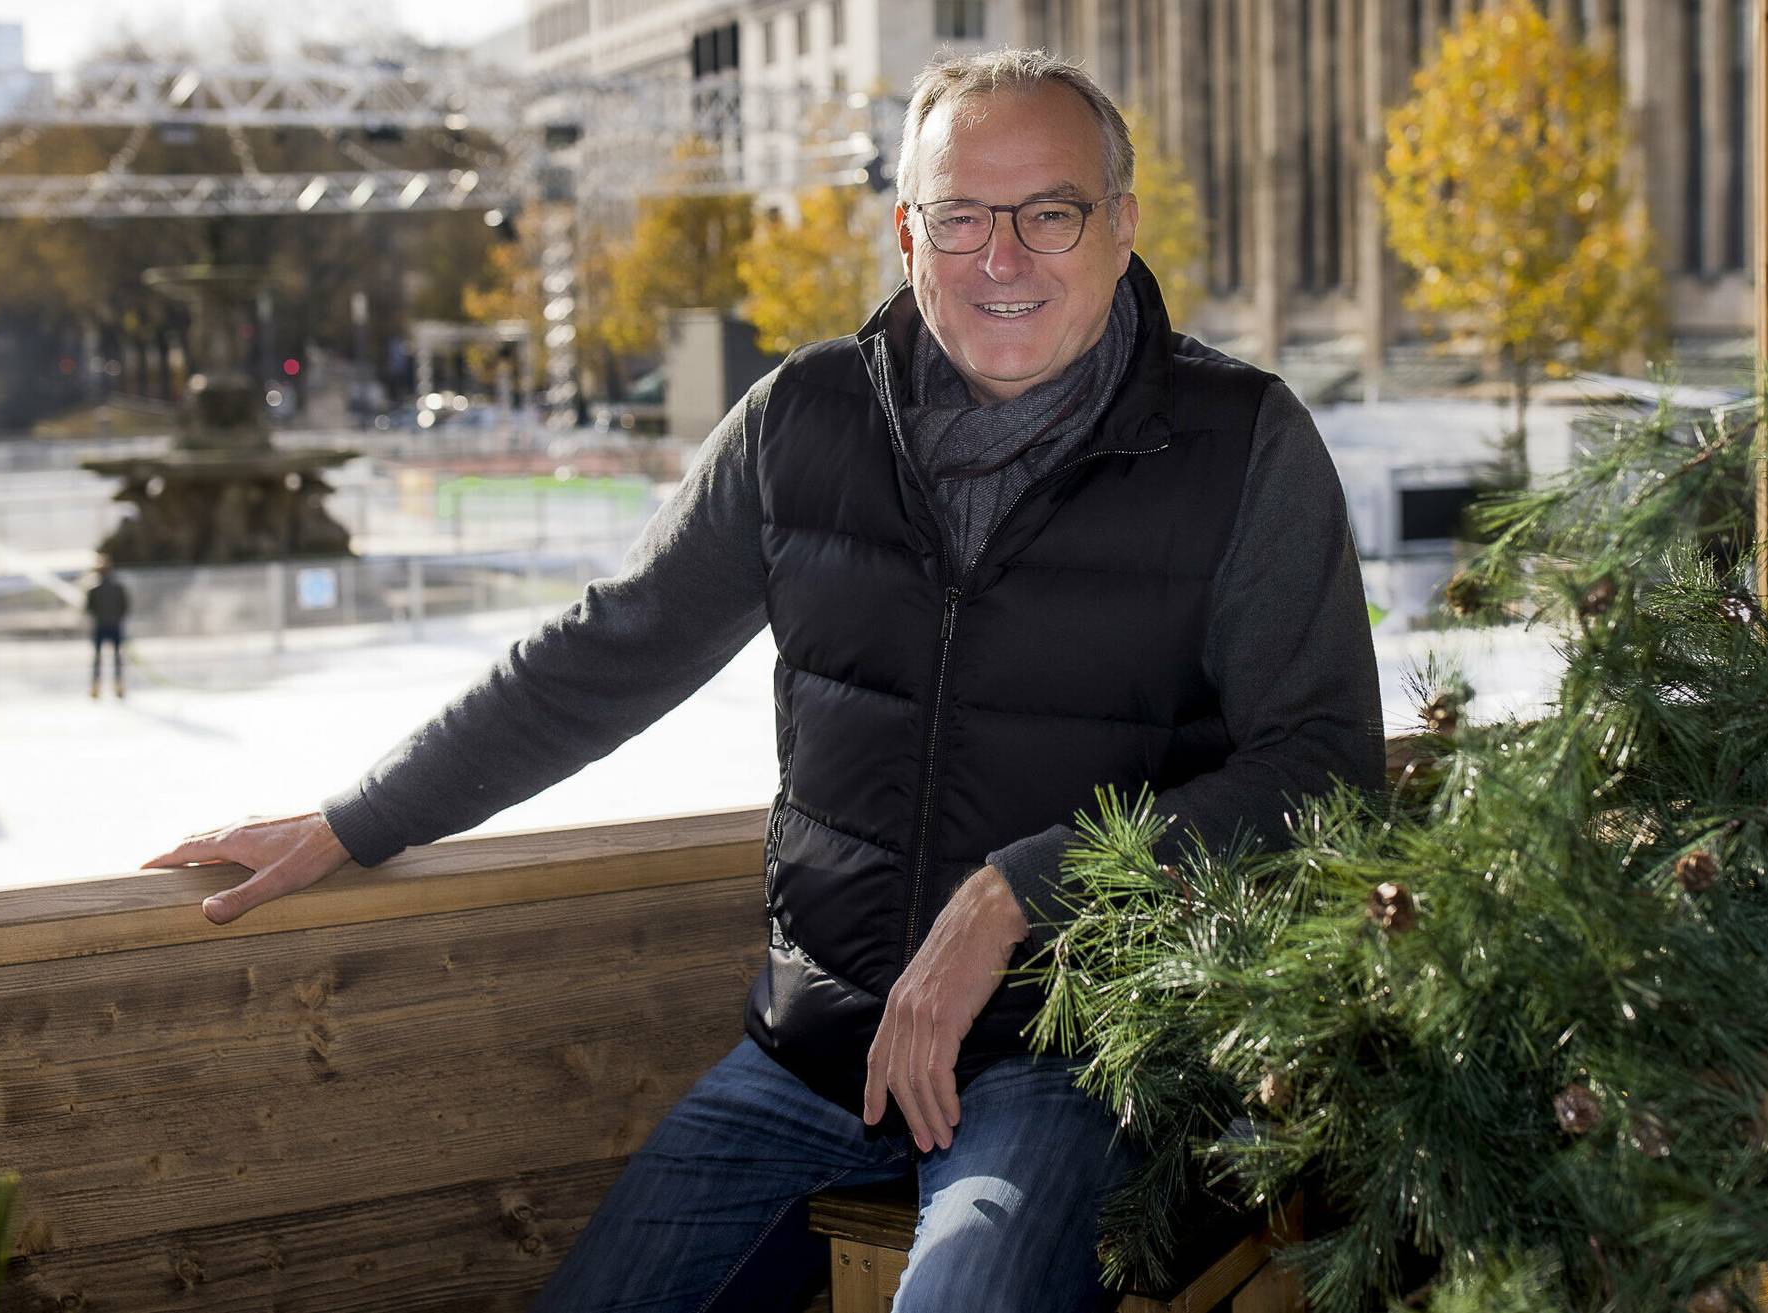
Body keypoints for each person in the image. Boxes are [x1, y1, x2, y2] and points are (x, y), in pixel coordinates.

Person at [143, 49, 1384, 1313]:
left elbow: (1325, 767)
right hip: (818, 1051)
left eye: (1048, 213)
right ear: (908, 234)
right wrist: (361, 818)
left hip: (1084, 1056)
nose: (1001, 257)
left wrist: (1020, 892)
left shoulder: (1241, 445)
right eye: (960, 216)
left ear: (1120, 227)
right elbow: (607, 651)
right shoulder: (806, 421)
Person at [85, 555, 129, 699]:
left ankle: (96, 687)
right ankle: (118, 686)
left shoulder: (95, 590)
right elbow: (124, 607)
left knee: (99, 658)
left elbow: (89, 609)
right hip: (114, 625)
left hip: (102, 626)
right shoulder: (117, 588)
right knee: (115, 658)